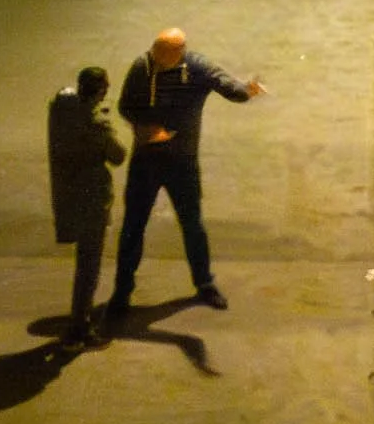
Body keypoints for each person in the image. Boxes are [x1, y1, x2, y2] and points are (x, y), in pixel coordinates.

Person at [104, 27, 265, 319]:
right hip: (147, 159)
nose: (155, 57)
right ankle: (122, 291)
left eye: (162, 53)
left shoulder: (197, 67)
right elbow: (125, 106)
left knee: (192, 224)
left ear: (179, 52)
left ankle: (204, 283)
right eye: (155, 50)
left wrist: (246, 90)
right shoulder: (142, 67)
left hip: (182, 162)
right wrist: (148, 129)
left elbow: (225, 84)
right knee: (133, 227)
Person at [48, 65, 124, 348]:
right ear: (102, 90)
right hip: (92, 199)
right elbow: (118, 155)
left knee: (84, 262)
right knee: (88, 266)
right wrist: (105, 123)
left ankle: (78, 324)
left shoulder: (61, 110)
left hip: (69, 194)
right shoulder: (97, 124)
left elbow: (64, 99)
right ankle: (79, 327)